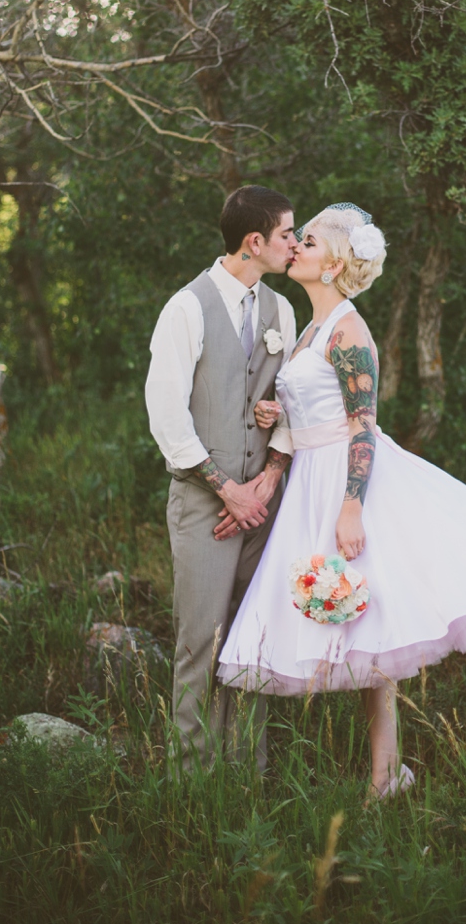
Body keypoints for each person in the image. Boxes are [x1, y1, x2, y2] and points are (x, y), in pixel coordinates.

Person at [217, 203, 466, 799]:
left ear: (333, 262)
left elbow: (362, 425)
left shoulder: (349, 330)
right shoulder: (308, 326)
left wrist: (351, 507)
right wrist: (277, 412)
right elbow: (317, 404)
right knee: (370, 627)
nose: (296, 247)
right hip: (309, 480)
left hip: (350, 480)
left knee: (408, 594)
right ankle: (386, 775)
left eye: (306, 241)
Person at [145, 185, 298, 767]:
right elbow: (166, 414)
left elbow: (288, 400)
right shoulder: (186, 307)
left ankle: (246, 773)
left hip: (262, 505)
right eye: (287, 233)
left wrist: (272, 471)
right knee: (201, 643)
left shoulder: (280, 311)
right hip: (207, 504)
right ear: (254, 242)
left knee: (252, 639)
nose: (295, 242)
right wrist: (226, 488)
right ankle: (193, 782)